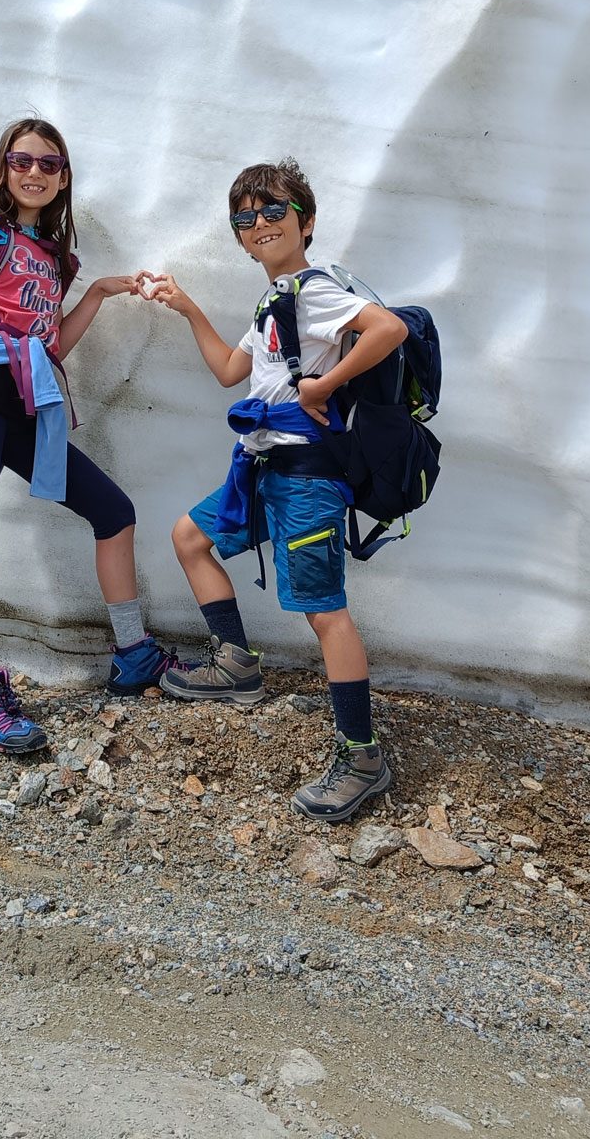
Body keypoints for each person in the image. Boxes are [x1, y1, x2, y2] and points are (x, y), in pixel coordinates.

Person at [144, 160, 410, 822]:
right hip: (264, 470)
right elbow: (232, 370)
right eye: (245, 217)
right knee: (191, 538)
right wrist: (188, 308)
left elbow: (388, 328)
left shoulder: (314, 289)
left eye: (273, 212)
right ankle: (237, 663)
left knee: (323, 611)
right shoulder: (275, 300)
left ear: (306, 221)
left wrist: (323, 384)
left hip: (308, 478)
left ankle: (363, 757)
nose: (258, 223)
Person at [0, 118, 175, 756]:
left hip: (30, 400)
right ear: (4, 168)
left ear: (63, 178)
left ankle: (133, 652)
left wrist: (102, 293)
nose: (35, 173)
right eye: (22, 160)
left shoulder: (53, 256)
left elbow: (50, 343)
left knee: (113, 511)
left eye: (49, 164)